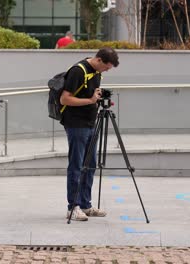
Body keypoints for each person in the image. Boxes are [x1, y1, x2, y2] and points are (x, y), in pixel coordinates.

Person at [60, 47, 119, 221]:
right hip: (76, 124)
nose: (106, 71)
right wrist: (90, 101)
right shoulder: (79, 71)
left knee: (91, 164)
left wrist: (97, 100)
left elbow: (91, 95)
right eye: (106, 67)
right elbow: (64, 99)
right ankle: (73, 207)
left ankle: (85, 205)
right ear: (99, 60)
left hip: (91, 123)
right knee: (77, 165)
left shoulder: (97, 73)